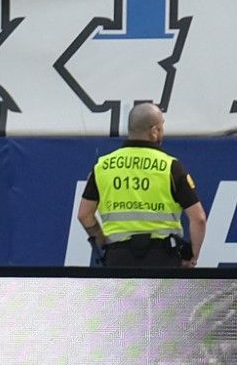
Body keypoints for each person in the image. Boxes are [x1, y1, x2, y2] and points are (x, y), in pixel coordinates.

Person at [78, 101, 206, 270]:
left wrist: (103, 242)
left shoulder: (103, 167)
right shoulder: (170, 167)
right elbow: (199, 219)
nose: (162, 132)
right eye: (161, 127)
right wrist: (192, 258)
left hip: (118, 258)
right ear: (154, 132)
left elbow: (84, 215)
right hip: (163, 258)